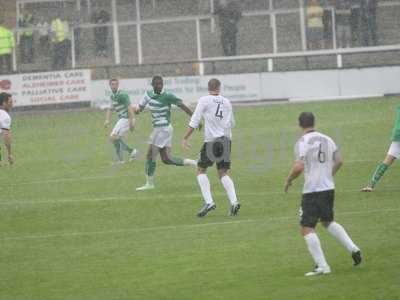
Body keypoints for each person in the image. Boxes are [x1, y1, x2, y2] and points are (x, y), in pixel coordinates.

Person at [284, 112, 361, 276]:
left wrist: (288, 179)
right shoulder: (328, 139)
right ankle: (353, 248)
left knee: (306, 228)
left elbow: (298, 167)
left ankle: (322, 266)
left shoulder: (302, 142)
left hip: (312, 190)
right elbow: (339, 160)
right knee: (327, 221)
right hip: (328, 188)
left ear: (300, 125)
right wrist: (328, 175)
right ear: (314, 122)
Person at [182, 78, 240, 217]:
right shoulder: (227, 102)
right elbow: (232, 123)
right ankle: (234, 202)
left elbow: (195, 120)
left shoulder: (204, 100)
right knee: (223, 173)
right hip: (226, 140)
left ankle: (209, 202)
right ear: (219, 88)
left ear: (209, 88)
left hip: (212, 141)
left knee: (201, 170)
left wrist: (185, 137)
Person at [134, 75, 197, 191]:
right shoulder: (147, 94)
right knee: (166, 159)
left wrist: (195, 119)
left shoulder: (168, 96)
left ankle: (149, 184)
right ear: (152, 85)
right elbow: (140, 108)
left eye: (161, 84)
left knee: (150, 155)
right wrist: (136, 110)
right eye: (157, 84)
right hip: (162, 129)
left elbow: (183, 106)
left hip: (163, 128)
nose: (159, 86)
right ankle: (194, 163)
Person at [362, 105, 400, 192]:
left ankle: (371, 185)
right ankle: (370, 185)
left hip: (397, 136)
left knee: (386, 162)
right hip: (397, 138)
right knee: (386, 162)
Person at [104, 78, 137, 164]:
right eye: (112, 84)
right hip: (122, 119)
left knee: (112, 137)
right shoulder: (112, 96)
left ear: (118, 85)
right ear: (110, 86)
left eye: (115, 84)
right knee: (115, 139)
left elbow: (129, 108)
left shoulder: (122, 95)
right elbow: (110, 109)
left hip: (126, 119)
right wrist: (107, 120)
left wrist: (132, 121)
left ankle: (129, 152)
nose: (114, 86)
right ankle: (123, 158)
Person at [0, 92, 14, 165]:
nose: (12, 105)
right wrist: (9, 154)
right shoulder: (5, 116)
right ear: (4, 103)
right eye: (10, 102)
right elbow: (6, 135)